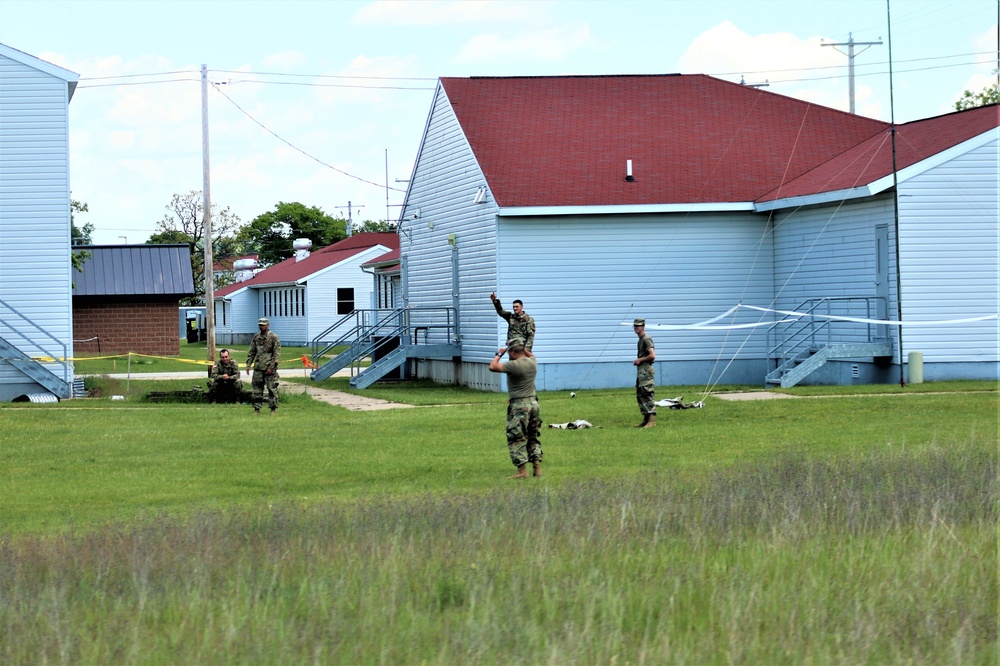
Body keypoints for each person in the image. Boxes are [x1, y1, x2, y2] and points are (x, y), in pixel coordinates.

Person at [489, 339, 543, 479]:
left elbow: (493, 367)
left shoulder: (513, 365)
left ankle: (522, 471)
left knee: (517, 437)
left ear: (513, 352)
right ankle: (537, 468)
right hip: (534, 404)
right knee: (533, 437)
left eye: (509, 352)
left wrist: (499, 354)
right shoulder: (532, 362)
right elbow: (531, 355)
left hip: (520, 406)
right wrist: (521, 346)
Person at [246, 317, 281, 414]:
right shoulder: (256, 337)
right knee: (257, 389)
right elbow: (252, 351)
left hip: (269, 368)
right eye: (260, 325)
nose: (261, 326)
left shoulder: (273, 337)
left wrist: (271, 367)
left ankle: (273, 409)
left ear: (268, 325)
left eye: (263, 325)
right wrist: (248, 364)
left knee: (272, 389)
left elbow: (276, 353)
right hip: (258, 367)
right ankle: (257, 409)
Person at [632, 318, 656, 428]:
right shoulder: (640, 340)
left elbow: (652, 355)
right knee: (641, 394)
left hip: (646, 370)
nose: (636, 328)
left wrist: (640, 360)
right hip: (641, 371)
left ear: (643, 326)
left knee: (647, 393)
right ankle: (646, 419)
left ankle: (652, 421)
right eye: (635, 326)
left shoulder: (646, 339)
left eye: (638, 326)